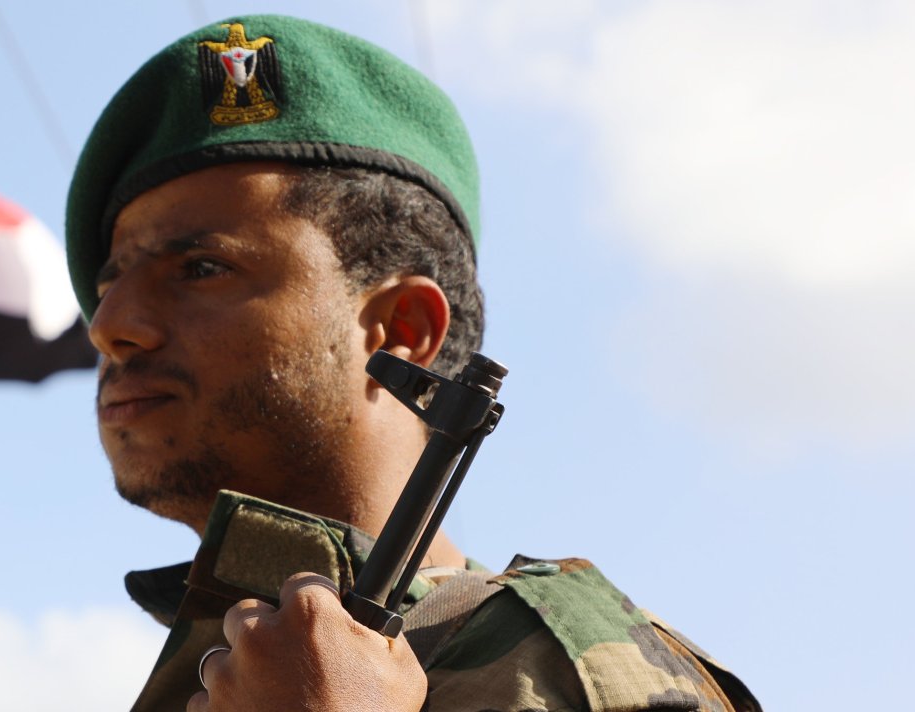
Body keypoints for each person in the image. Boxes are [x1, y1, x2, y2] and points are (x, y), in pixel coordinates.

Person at [63, 15, 760, 712]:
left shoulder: (569, 674)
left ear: (402, 328)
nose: (111, 327)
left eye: (201, 267)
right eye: (108, 286)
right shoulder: (206, 676)